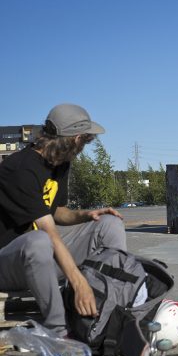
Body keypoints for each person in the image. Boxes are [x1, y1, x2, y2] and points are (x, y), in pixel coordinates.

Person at [0, 103, 127, 337]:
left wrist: (86, 215)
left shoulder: (60, 162)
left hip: (42, 257)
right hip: (8, 262)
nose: (85, 147)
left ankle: (115, 307)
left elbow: (57, 211)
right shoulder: (19, 169)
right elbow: (48, 230)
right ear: (75, 139)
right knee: (38, 241)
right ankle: (57, 331)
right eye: (86, 141)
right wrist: (78, 282)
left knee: (109, 224)